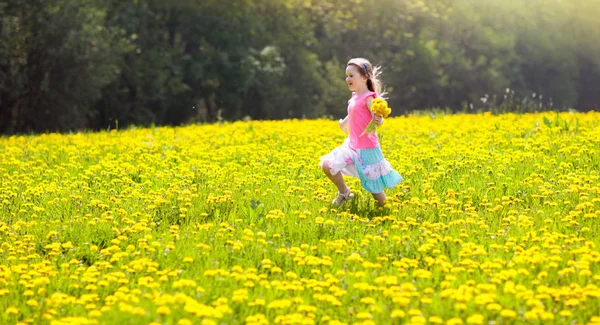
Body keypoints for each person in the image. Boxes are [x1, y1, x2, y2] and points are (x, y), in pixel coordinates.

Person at [319, 57, 402, 207]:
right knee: (327, 165)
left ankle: (388, 210)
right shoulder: (354, 97)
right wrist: (343, 123)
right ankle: (344, 193)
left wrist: (379, 120)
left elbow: (377, 116)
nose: (347, 79)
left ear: (364, 77)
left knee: (377, 194)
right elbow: (353, 114)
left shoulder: (369, 98)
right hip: (351, 146)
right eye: (347, 76)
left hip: (367, 149)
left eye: (351, 75)